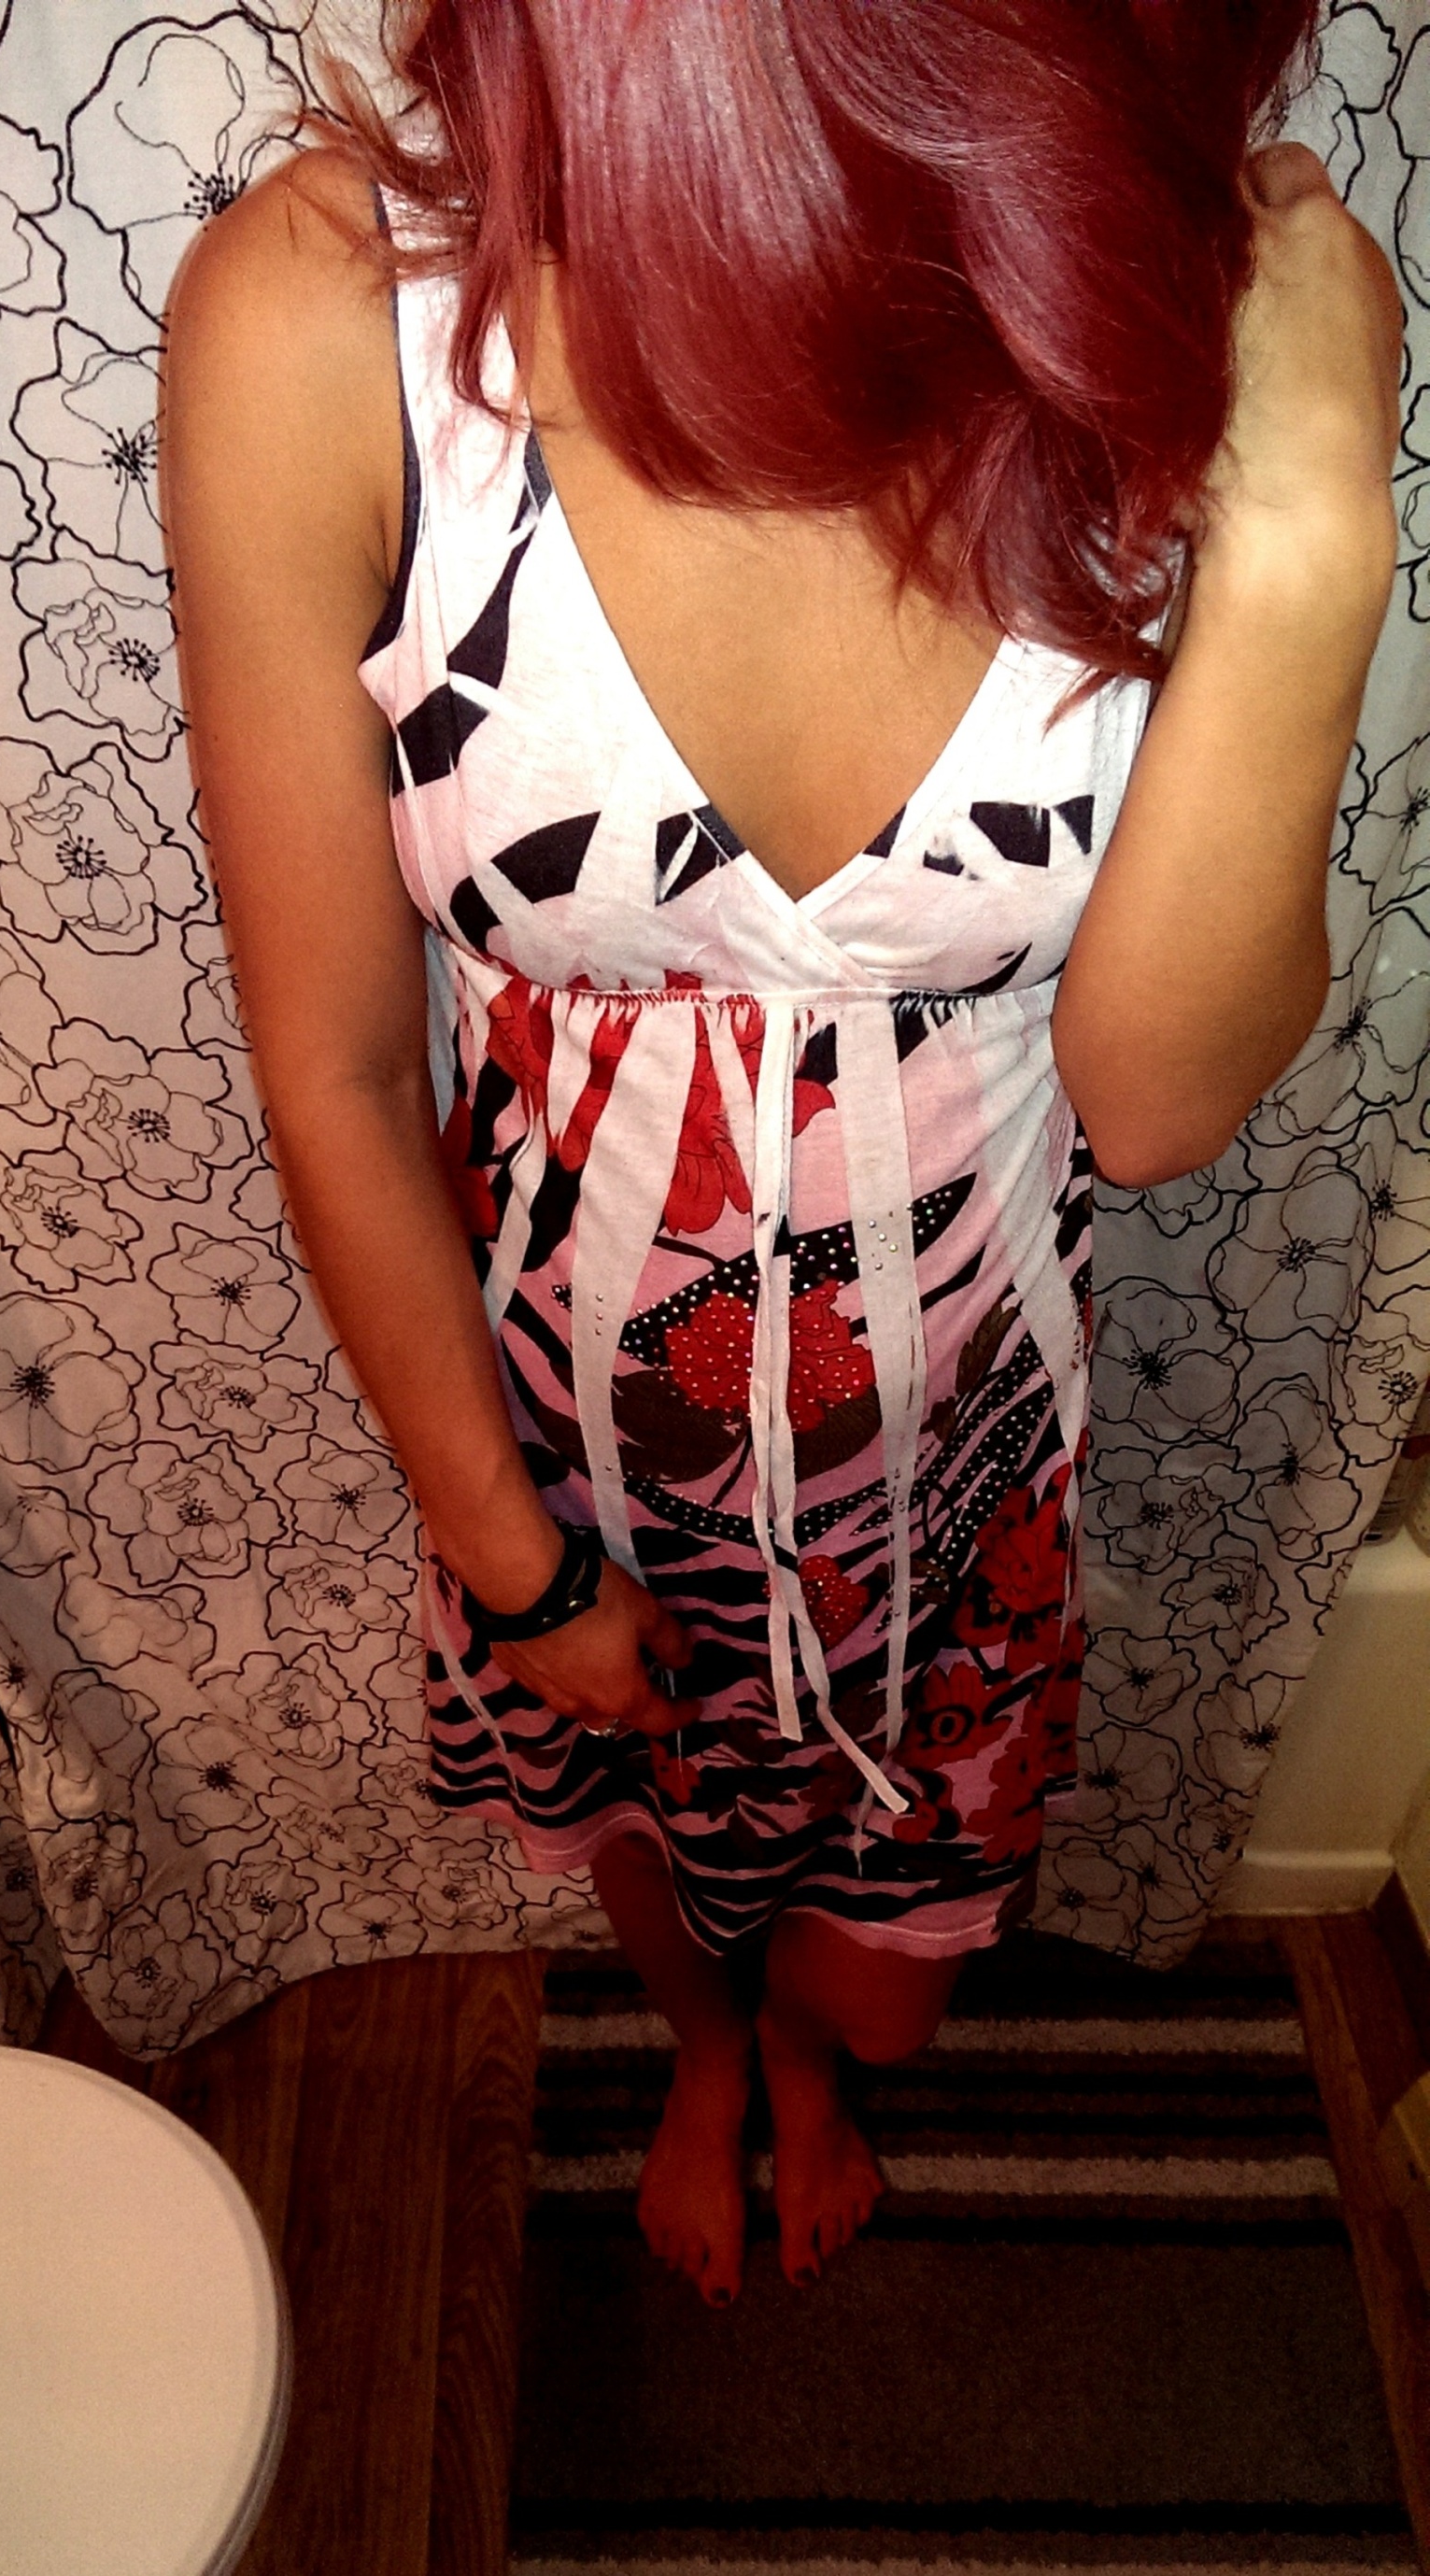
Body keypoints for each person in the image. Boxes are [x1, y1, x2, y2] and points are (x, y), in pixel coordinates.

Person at [163, 0, 1398, 2305]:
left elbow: (1151, 1104)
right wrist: (512, 1565)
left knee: (887, 1970)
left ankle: (808, 2049)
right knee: (644, 1837)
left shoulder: (1167, 277)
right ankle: (713, 2049)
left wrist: (1315, 537)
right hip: (557, 1441)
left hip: (959, 1459)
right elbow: (332, 1066)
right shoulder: (326, 321)